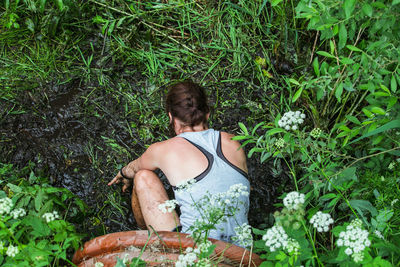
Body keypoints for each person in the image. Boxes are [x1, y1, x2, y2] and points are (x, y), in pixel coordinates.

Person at [108, 80, 250, 244]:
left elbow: (133, 168)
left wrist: (123, 173)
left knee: (142, 176)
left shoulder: (163, 150)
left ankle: (145, 239)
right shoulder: (234, 141)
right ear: (208, 113)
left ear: (171, 117)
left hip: (194, 253)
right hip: (242, 254)